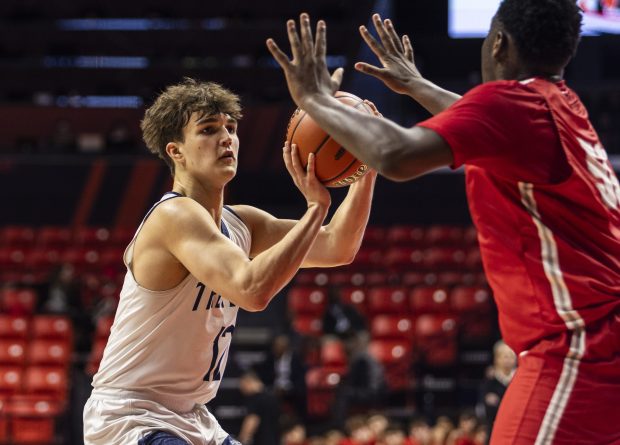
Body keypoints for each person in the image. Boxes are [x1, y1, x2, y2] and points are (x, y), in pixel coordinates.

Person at [266, 1, 620, 443]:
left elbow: (397, 155)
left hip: (576, 352)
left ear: (499, 43)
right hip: (599, 347)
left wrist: (314, 100)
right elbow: (485, 124)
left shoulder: (515, 105)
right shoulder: (560, 105)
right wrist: (416, 86)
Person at [82, 78, 378, 444]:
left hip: (192, 417)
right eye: (208, 130)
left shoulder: (243, 223)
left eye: (231, 128)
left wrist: (368, 164)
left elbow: (338, 247)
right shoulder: (173, 216)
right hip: (131, 416)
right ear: (176, 152)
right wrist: (316, 208)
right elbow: (252, 290)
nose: (227, 138)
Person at [477, 341, 516, 441]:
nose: (508, 360)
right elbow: (487, 408)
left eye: (511, 356)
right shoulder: (489, 381)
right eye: (504, 356)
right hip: (494, 430)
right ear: (496, 359)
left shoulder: (519, 379)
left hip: (514, 429)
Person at [238, 371, 280, 445]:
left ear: (248, 382)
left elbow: (252, 420)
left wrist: (241, 440)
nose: (242, 391)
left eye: (243, 386)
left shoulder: (255, 399)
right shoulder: (273, 397)